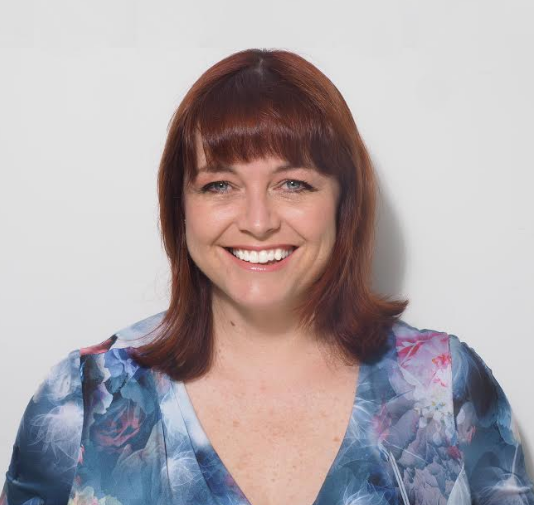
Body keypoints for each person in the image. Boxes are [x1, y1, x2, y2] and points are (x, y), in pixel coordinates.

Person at [1, 48, 533, 505]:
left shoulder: (446, 388)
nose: (258, 222)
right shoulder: (83, 399)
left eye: (293, 184)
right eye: (219, 185)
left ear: (343, 204)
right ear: (179, 207)